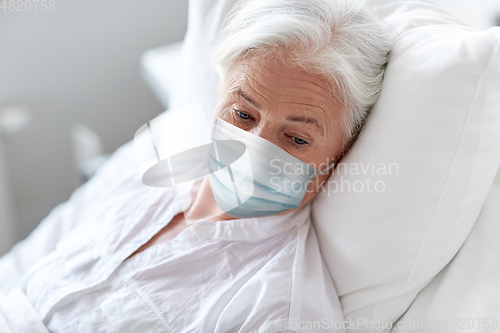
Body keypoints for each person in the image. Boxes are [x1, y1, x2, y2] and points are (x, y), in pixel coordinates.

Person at [0, 0, 392, 332]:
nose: (254, 150)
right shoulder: (153, 169)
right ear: (219, 96)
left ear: (340, 154)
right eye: (242, 114)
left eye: (297, 139)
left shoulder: (276, 311)